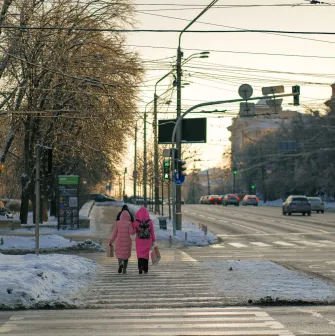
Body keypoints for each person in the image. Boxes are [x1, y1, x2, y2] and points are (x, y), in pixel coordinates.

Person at [131, 207, 156, 274]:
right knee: (146, 254)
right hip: (147, 241)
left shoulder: (136, 222)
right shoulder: (150, 222)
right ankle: (145, 268)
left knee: (140, 254)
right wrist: (153, 240)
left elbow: (132, 232)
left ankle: (140, 267)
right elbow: (152, 232)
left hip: (139, 241)